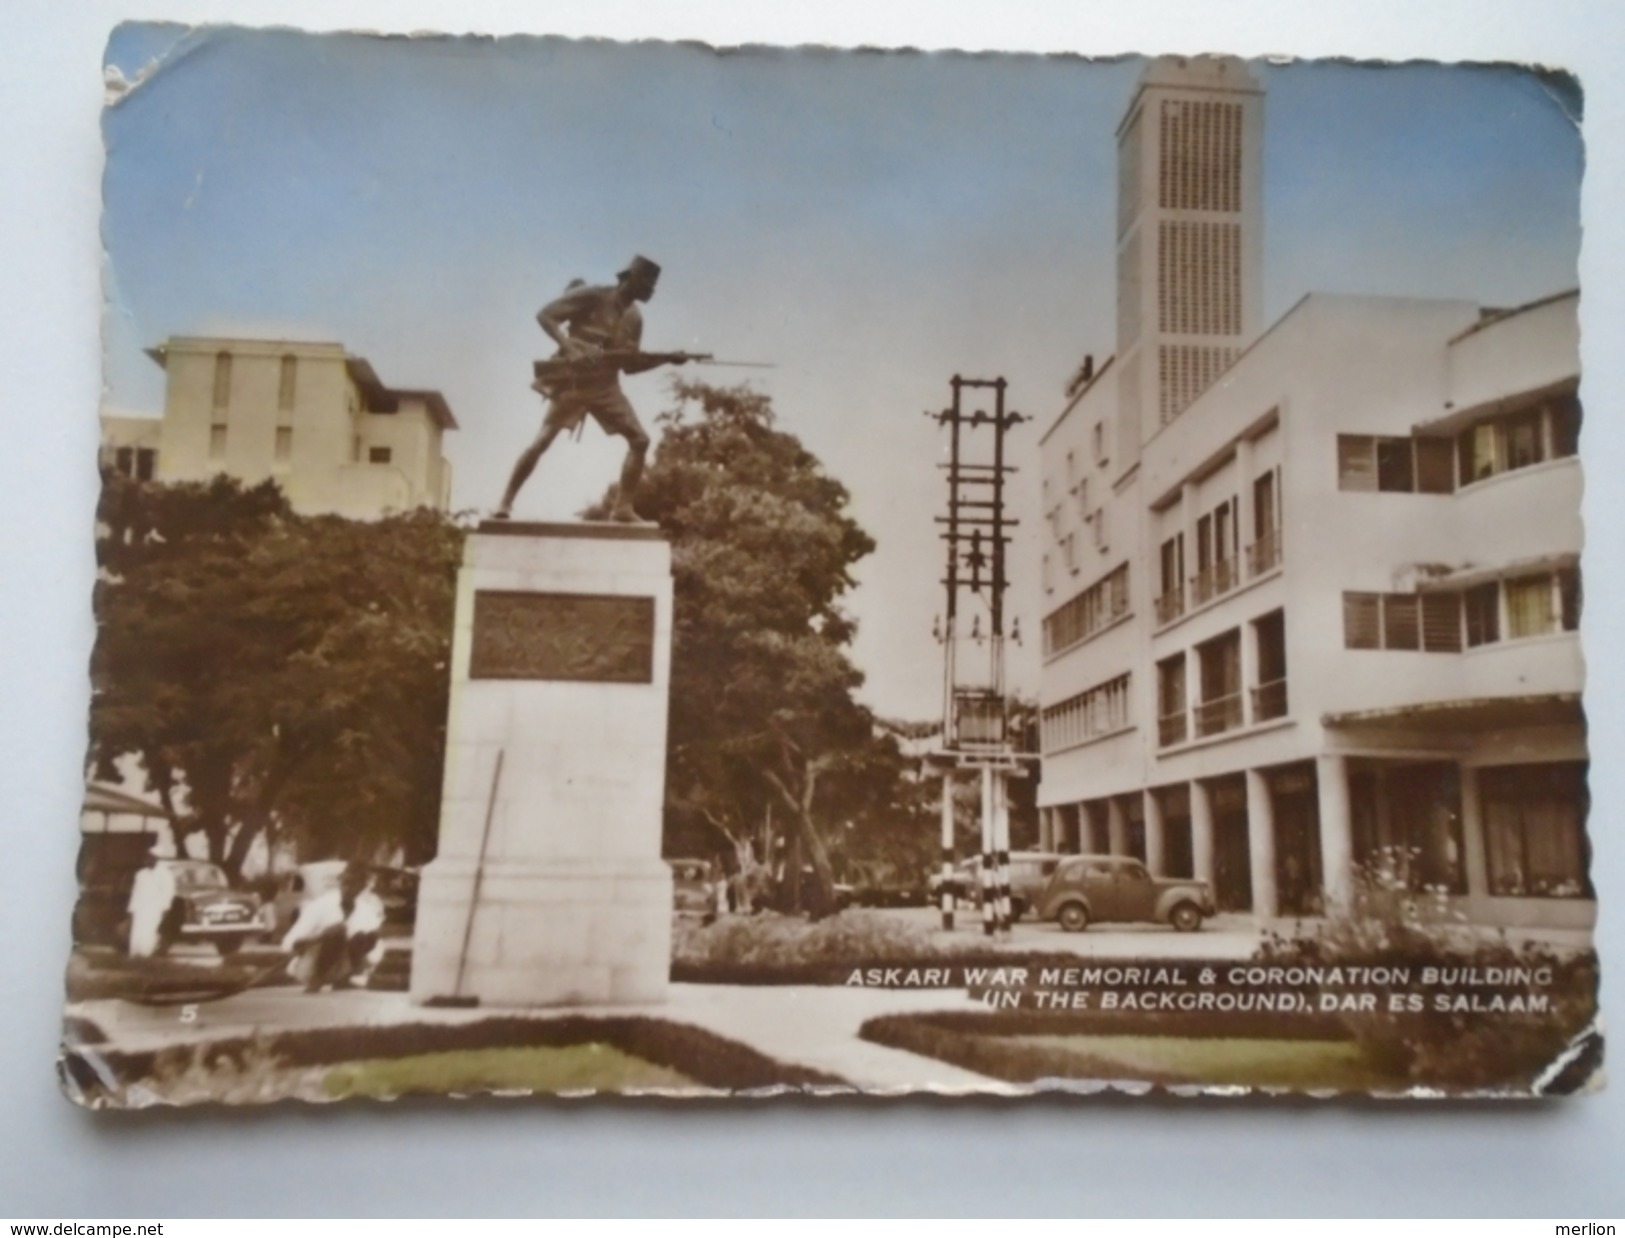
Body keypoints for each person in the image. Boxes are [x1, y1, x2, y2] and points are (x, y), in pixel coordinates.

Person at [493, 255, 687, 523]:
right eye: (648, 283)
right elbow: (545, 316)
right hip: (575, 383)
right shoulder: (593, 295)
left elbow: (629, 365)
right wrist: (570, 346)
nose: (651, 290)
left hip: (607, 387)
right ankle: (504, 502)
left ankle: (622, 508)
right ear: (631, 278)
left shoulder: (634, 318)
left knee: (640, 441)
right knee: (542, 441)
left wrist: (665, 359)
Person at [281, 863, 373, 993]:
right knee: (337, 932)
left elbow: (373, 947)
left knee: (368, 935)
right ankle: (316, 980)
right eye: (344, 883)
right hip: (311, 965)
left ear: (362, 887)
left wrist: (364, 961)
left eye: (353, 884)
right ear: (339, 882)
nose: (347, 888)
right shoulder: (320, 905)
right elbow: (289, 943)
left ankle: (345, 979)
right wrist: (321, 936)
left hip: (341, 967)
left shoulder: (366, 910)